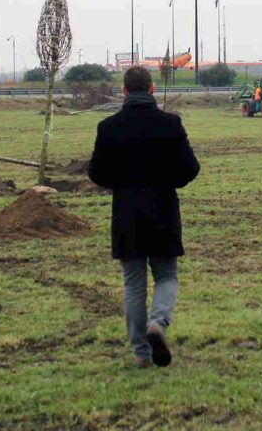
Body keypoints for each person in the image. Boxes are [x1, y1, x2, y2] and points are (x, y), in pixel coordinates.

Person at [88, 65, 201, 368]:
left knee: (133, 284)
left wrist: (122, 183)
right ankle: (158, 323)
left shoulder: (107, 127)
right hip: (163, 209)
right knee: (166, 275)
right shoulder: (171, 124)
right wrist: (169, 180)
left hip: (126, 214)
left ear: (123, 92)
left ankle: (142, 353)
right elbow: (191, 168)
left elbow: (96, 172)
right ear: (152, 89)